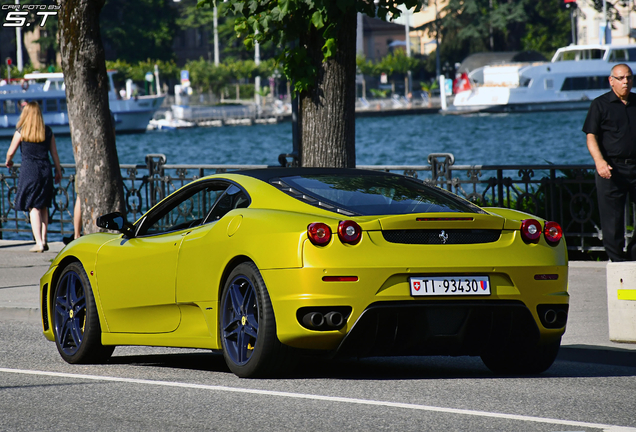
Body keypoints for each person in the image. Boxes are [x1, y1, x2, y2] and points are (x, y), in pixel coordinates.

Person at [583, 63, 636, 261]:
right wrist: (599, 162)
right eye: (621, 78)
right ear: (611, 81)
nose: (626, 82)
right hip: (610, 169)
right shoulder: (599, 104)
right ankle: (618, 264)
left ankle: (633, 255)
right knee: (612, 222)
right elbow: (591, 136)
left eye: (629, 78)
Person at [5, 101, 62, 252]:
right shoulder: (47, 131)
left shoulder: (22, 131)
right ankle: (43, 239)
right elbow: (54, 154)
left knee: (33, 207)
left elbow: (11, 151)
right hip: (45, 170)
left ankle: (38, 242)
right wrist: (58, 171)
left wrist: (8, 161)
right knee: (43, 205)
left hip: (29, 170)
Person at [63, 110, 116, 245]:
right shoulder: (107, 113)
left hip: (84, 162)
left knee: (80, 198)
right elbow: (112, 136)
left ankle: (76, 235)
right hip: (103, 162)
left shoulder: (82, 113)